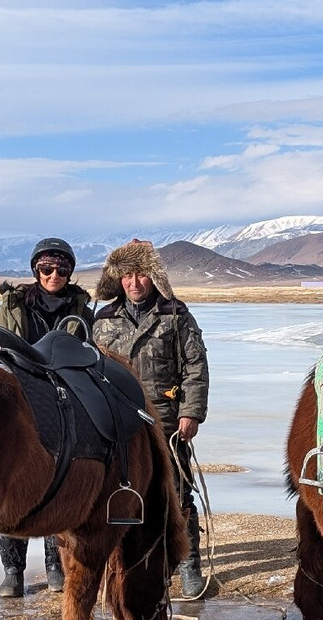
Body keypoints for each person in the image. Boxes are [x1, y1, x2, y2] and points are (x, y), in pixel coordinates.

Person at [91, 239, 210, 597]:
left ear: (154, 277)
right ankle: (129, 564)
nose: (134, 282)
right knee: (121, 494)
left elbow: (195, 367)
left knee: (178, 494)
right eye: (127, 275)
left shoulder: (176, 315)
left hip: (167, 421)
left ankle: (188, 566)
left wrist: (191, 412)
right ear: (118, 280)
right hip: (118, 424)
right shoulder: (103, 320)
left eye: (141, 274)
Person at [0, 236, 96, 597]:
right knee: (14, 478)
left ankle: (54, 564)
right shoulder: (14, 303)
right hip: (21, 397)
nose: (54, 275)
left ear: (70, 271)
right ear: (36, 270)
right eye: (47, 268)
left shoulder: (81, 307)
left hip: (64, 398)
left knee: (60, 476)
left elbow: (89, 351)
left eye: (62, 268)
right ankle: (13, 570)